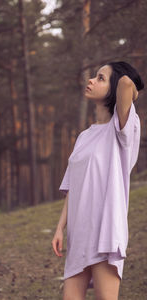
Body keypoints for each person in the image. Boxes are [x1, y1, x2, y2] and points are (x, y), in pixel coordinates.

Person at [51, 61, 144, 300]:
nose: (91, 80)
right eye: (94, 76)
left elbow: (126, 83)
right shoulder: (84, 136)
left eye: (100, 78)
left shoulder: (123, 129)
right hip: (79, 233)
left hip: (105, 233)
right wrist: (60, 227)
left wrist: (132, 89)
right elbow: (73, 187)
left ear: (112, 89)